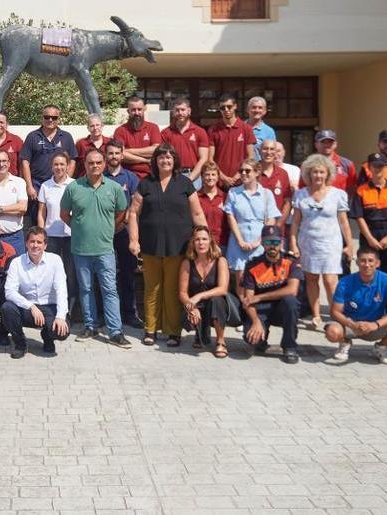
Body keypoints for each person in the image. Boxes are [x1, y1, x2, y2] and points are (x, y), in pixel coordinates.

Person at [128, 144, 205, 347]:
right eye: (161, 158)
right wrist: (134, 239)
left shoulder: (186, 183)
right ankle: (150, 330)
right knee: (152, 289)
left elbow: (197, 213)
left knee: (173, 290)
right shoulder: (146, 184)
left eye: (169, 158)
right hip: (150, 246)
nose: (165, 161)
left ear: (175, 161)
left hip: (178, 247)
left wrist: (204, 237)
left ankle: (173, 331)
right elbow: (133, 213)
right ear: (155, 161)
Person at [62, 148, 131, 348]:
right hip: (81, 249)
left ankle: (115, 331)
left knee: (109, 290)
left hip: (105, 249)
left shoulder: (115, 188)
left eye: (98, 163)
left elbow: (121, 212)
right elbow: (65, 214)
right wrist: (81, 228)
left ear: (104, 164)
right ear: (85, 165)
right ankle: (90, 326)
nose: (95, 166)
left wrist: (109, 230)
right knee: (86, 289)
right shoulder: (74, 187)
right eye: (91, 163)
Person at [290, 154, 356, 328]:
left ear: (328, 174)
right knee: (311, 279)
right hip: (308, 243)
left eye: (321, 172)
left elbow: (344, 222)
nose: (318, 175)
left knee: (330, 281)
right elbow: (295, 222)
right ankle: (316, 315)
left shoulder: (338, 195)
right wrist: (293, 243)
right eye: (314, 172)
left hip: (330, 244)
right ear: (308, 174)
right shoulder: (300, 195)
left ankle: (336, 315)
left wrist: (349, 245)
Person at [324, 248, 387, 365]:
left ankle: (381, 347)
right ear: (357, 262)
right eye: (363, 261)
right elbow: (335, 312)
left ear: (377, 263)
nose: (367, 265)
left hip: (375, 326)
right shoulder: (345, 282)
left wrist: (375, 324)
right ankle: (344, 343)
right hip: (350, 325)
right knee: (332, 332)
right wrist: (352, 324)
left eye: (370, 261)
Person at [2, 226, 70, 358]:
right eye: (32, 241)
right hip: (28, 308)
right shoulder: (16, 262)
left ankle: (48, 337)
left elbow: (61, 289)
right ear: (26, 243)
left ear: (45, 245)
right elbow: (9, 292)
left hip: (50, 307)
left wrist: (61, 317)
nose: (35, 245)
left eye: (39, 242)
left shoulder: (55, 260)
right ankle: (20, 344)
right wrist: (31, 306)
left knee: (62, 332)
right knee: (7, 308)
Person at [239, 225, 304, 364]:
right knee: (252, 339)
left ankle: (290, 346)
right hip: (261, 310)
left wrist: (260, 297)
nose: (272, 246)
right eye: (268, 242)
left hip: (283, 309)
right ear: (262, 243)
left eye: (275, 242)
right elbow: (248, 300)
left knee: (291, 301)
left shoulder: (291, 261)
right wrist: (256, 322)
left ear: (282, 242)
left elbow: (292, 290)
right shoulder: (252, 265)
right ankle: (262, 338)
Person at [352, 153, 387, 291]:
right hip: (369, 232)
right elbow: (359, 217)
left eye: (381, 166)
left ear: (386, 167)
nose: (378, 169)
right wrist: (370, 238)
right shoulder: (361, 190)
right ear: (369, 168)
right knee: (368, 270)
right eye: (375, 166)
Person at [179, 225, 237, 357]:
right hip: (196, 304)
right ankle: (200, 335)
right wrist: (191, 306)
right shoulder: (187, 263)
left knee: (216, 301)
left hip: (216, 303)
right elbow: (182, 293)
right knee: (189, 308)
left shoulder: (220, 261)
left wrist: (198, 296)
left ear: (211, 240)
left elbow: (223, 289)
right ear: (193, 242)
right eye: (197, 239)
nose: (201, 243)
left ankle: (220, 341)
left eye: (204, 239)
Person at [224, 158, 280, 288]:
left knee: (261, 282)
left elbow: (271, 219)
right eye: (241, 170)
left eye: (247, 170)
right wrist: (240, 241)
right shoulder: (233, 193)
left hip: (260, 242)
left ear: (257, 172)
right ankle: (243, 308)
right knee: (241, 283)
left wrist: (259, 242)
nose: (243, 173)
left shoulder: (267, 194)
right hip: (239, 240)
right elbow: (230, 217)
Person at [105, 141, 142, 328]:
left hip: (123, 232)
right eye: (110, 153)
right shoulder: (99, 176)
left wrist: (120, 222)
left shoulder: (131, 177)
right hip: (103, 235)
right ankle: (107, 316)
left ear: (122, 155)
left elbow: (135, 205)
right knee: (105, 276)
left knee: (127, 275)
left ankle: (130, 314)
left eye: (117, 153)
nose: (113, 156)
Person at [36, 152, 75, 317]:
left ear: (67, 166)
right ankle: (50, 310)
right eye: (56, 164)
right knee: (50, 275)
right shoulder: (45, 186)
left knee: (70, 275)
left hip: (70, 237)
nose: (59, 167)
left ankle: (69, 313)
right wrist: (41, 234)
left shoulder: (75, 185)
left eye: (62, 164)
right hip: (51, 237)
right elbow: (41, 212)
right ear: (51, 167)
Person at [21, 106, 77, 218]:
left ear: (58, 119)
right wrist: (29, 186)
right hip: (37, 184)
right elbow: (25, 162)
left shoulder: (66, 136)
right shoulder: (33, 136)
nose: (50, 120)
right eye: (47, 117)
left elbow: (72, 160)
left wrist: (66, 182)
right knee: (37, 219)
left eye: (54, 117)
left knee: (59, 215)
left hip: (58, 184)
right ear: (42, 118)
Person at [207, 93, 256, 189]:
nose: (226, 110)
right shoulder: (213, 129)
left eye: (229, 107)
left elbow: (250, 157)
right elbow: (210, 159)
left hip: (241, 181)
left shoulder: (246, 128)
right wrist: (223, 177)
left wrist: (237, 176)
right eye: (222, 108)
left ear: (235, 106)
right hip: (219, 182)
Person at [160, 97, 210, 184]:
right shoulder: (166, 133)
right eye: (177, 110)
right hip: (172, 175)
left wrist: (190, 178)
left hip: (195, 176)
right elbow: (163, 156)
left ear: (189, 111)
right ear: (173, 112)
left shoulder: (200, 132)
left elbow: (204, 158)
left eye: (183, 110)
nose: (180, 113)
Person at [113, 95, 162, 179]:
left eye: (139, 109)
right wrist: (145, 160)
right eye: (133, 110)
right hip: (127, 176)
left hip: (150, 175)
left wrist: (129, 150)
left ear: (144, 109)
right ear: (128, 111)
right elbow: (120, 155)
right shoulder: (120, 130)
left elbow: (155, 150)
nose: (137, 113)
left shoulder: (153, 128)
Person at [302, 130, 358, 194]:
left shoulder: (347, 164)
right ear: (316, 144)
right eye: (323, 142)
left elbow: (352, 188)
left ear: (335, 144)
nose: (326, 145)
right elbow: (302, 186)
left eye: (330, 142)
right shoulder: (307, 165)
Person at [255, 140, 292, 224]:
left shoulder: (283, 174)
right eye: (265, 149)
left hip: (276, 229)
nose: (268, 152)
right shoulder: (252, 171)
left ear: (275, 152)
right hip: (255, 227)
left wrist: (278, 225)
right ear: (259, 151)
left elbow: (287, 202)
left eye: (272, 149)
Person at [197, 162, 228, 249]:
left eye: (213, 174)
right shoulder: (195, 198)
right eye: (207, 175)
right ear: (202, 177)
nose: (210, 178)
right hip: (202, 245)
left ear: (218, 177)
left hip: (223, 243)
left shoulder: (226, 197)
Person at [74, 113, 108, 179]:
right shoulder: (81, 144)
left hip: (106, 181)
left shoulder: (109, 143)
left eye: (97, 125)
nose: (95, 128)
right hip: (84, 182)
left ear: (102, 126)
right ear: (88, 128)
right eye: (92, 126)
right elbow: (75, 164)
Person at [245, 96, 276, 161]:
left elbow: (272, 153)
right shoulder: (240, 127)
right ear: (248, 109)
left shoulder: (269, 132)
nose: (257, 110)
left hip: (260, 168)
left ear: (264, 111)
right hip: (242, 168)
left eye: (260, 108)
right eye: (254, 107)